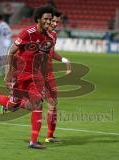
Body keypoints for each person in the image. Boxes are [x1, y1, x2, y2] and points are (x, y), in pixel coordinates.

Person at [0, 5, 55, 149]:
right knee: (11, 107)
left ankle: (33, 141)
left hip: (35, 78)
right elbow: (11, 52)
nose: (49, 21)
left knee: (37, 103)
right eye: (46, 19)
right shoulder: (27, 33)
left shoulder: (49, 38)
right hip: (20, 76)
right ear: (38, 19)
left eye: (50, 19)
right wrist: (8, 74)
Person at [44, 9, 71, 143]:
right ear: (47, 19)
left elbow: (51, 53)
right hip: (35, 74)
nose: (55, 24)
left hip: (49, 74)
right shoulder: (37, 33)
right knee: (21, 104)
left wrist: (64, 60)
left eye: (57, 22)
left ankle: (49, 136)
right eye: (53, 21)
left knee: (53, 105)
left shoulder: (53, 35)